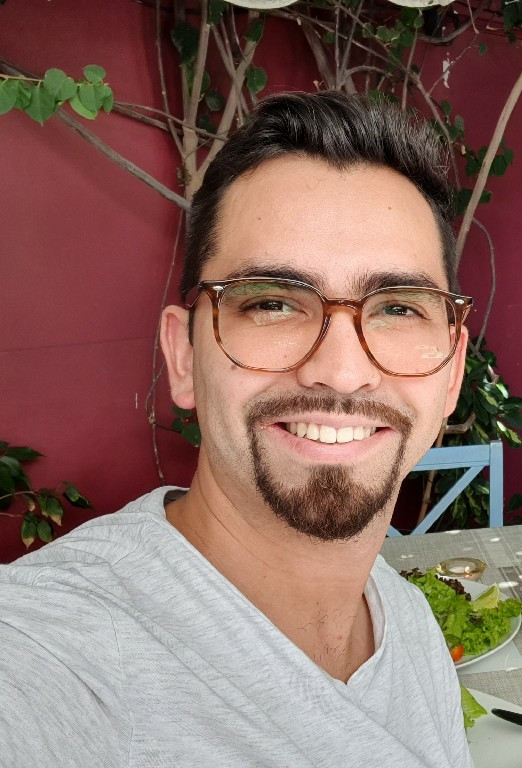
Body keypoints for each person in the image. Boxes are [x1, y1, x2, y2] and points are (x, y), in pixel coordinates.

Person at [0, 92, 473, 767]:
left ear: (452, 371)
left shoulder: (408, 620)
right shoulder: (55, 654)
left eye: (398, 308)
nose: (341, 373)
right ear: (183, 357)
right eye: (273, 303)